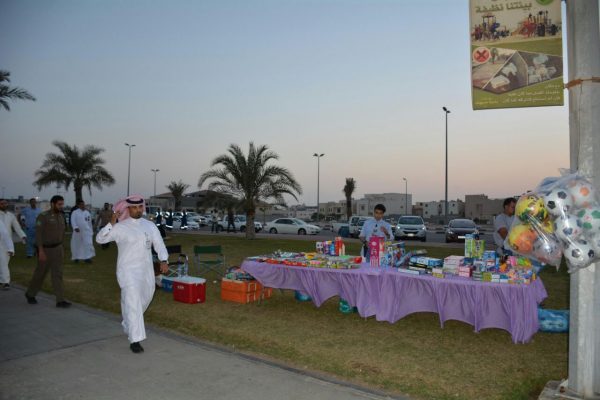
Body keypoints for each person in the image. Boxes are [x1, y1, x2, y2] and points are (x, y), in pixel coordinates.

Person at [96, 194, 168, 354]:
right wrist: (111, 223)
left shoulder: (149, 226)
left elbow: (159, 243)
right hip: (128, 271)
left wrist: (164, 260)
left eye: (140, 207)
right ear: (128, 209)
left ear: (143, 207)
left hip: (146, 270)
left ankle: (128, 323)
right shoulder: (120, 227)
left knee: (144, 298)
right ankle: (135, 339)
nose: (137, 210)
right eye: (134, 207)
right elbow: (100, 239)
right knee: (133, 302)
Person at [25, 195, 71, 307]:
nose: (61, 206)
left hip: (58, 249)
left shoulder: (61, 216)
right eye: (59, 204)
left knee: (58, 274)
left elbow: (62, 233)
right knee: (40, 274)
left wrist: (62, 247)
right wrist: (40, 251)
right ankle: (30, 294)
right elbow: (38, 235)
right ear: (52, 204)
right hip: (45, 250)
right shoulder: (43, 216)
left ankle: (60, 300)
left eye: (62, 204)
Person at [0, 198, 26, 289]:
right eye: (2, 204)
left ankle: (3, 280)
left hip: (7, 242)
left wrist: (22, 235)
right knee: (2, 262)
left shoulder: (11, 215)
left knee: (5, 262)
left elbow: (17, 227)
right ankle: (5, 281)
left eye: (5, 203)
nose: (4, 205)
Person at [0, 220, 14, 290]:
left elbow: (6, 235)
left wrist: (10, 249)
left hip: (2, 247)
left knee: (3, 264)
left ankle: (6, 282)